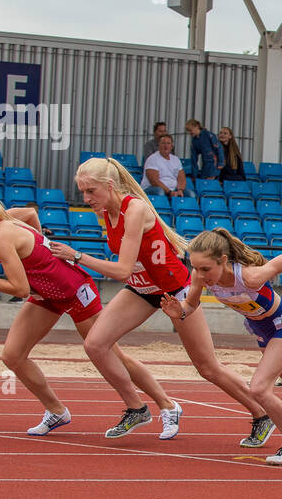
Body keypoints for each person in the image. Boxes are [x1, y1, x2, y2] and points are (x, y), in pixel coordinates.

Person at [47, 157, 269, 439]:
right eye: (82, 192)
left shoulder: (135, 208)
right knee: (95, 344)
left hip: (176, 292)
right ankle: (136, 408)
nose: (86, 198)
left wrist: (77, 256)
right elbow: (131, 270)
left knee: (207, 367)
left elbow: (121, 269)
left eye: (90, 191)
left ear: (110, 185)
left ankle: (261, 412)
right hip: (141, 290)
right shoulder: (106, 212)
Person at [0, 182, 180, 437]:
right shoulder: (8, 217)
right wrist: (41, 248)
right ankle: (56, 411)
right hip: (47, 293)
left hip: (74, 290)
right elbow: (31, 214)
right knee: (13, 356)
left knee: (111, 353)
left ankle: (165, 406)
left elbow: (20, 289)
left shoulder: (1, 236)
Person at [162, 228, 282, 466]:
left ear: (223, 260)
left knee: (259, 389)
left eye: (205, 269)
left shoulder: (250, 277)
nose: (200, 275)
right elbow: (190, 304)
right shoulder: (200, 276)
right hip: (262, 331)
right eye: (196, 268)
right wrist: (179, 312)